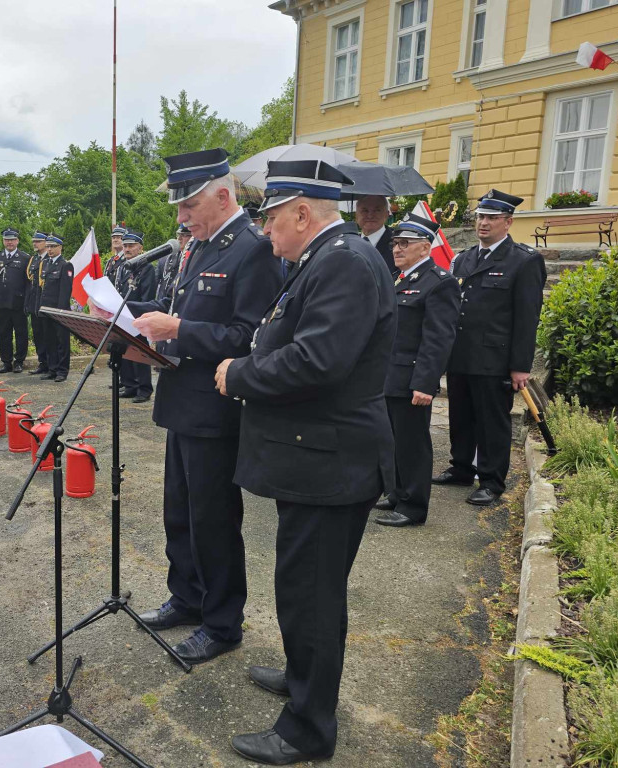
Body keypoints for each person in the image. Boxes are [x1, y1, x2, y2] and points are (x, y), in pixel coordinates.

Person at [213, 159, 396, 764]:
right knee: (303, 587)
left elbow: (317, 361)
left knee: (311, 596)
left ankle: (307, 729)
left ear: (301, 212)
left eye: (270, 218)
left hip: (330, 463)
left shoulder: (342, 261)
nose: (265, 232)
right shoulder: (325, 258)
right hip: (318, 460)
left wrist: (240, 373)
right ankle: (302, 678)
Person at [104, 148, 281, 665]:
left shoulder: (252, 249)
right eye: (179, 208)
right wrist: (117, 311)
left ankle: (223, 622)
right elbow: (184, 313)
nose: (181, 218)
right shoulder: (202, 246)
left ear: (223, 196)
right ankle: (187, 596)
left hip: (217, 410)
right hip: (183, 402)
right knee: (179, 512)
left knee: (213, 519)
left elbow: (250, 337)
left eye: (189, 207)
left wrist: (177, 329)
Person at [433, 190, 546, 506]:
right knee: (461, 415)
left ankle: (492, 480)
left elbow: (527, 317)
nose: (484, 223)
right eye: (481, 216)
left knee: (492, 420)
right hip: (461, 353)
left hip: (494, 358)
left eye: (492, 218)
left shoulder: (523, 261)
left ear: (508, 222)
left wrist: (520, 365)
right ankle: (461, 468)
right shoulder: (465, 258)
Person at [375, 214, 460, 527]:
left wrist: (425, 383)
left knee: (412, 444)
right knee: (393, 441)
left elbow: (438, 339)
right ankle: (397, 493)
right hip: (390, 375)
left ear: (425, 248)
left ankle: (413, 507)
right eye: (396, 243)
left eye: (405, 243)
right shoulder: (399, 279)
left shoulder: (439, 282)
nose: (397, 249)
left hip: (412, 379)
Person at [113, 230, 156, 403]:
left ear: (140, 247)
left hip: (137, 317)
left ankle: (144, 389)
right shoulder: (123, 266)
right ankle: (130, 385)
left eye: (131, 246)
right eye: (125, 246)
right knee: (125, 353)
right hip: (123, 317)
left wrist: (140, 316)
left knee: (140, 354)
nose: (127, 249)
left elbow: (148, 296)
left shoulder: (146, 268)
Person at [0, 228, 31, 373]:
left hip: (19, 303)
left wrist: (27, 302)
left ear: (17, 241)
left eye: (12, 239)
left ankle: (19, 361)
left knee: (21, 333)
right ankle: (6, 362)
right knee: (3, 333)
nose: (10, 242)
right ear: (3, 241)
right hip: (2, 303)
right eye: (7, 240)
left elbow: (28, 283)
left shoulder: (25, 258)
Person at [38, 234, 74, 382]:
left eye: (53, 246)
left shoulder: (65, 265)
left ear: (60, 247)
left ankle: (62, 370)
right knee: (49, 341)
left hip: (59, 311)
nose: (50, 249)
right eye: (48, 246)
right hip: (46, 310)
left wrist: (60, 312)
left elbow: (65, 292)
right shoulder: (46, 263)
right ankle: (52, 369)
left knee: (61, 342)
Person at [25, 232, 50, 375]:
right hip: (34, 304)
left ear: (46, 243)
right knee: (38, 335)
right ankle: (42, 363)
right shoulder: (33, 260)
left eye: (38, 241)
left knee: (48, 336)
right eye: (34, 241)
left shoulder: (49, 259)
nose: (35, 244)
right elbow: (30, 283)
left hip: (45, 304)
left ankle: (50, 363)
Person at [355, 195, 396, 274]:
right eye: (365, 210)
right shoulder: (348, 242)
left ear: (386, 215)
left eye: (377, 210)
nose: (370, 216)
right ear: (356, 215)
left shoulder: (398, 244)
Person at [156, 224, 190, 302]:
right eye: (178, 234)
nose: (179, 238)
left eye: (184, 235)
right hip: (163, 304)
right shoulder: (165, 259)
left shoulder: (194, 259)